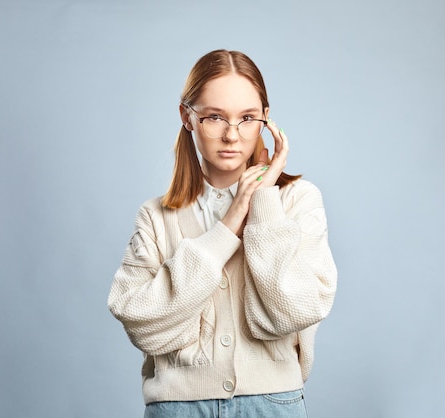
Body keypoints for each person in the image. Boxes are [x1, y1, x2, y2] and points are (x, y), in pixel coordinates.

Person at [108, 49, 337, 418]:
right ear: (188, 117)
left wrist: (263, 197)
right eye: (214, 117)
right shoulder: (155, 216)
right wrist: (229, 224)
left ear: (266, 121)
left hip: (274, 405)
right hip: (178, 407)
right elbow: (142, 324)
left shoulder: (298, 200)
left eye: (247, 118)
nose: (232, 135)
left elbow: (292, 312)